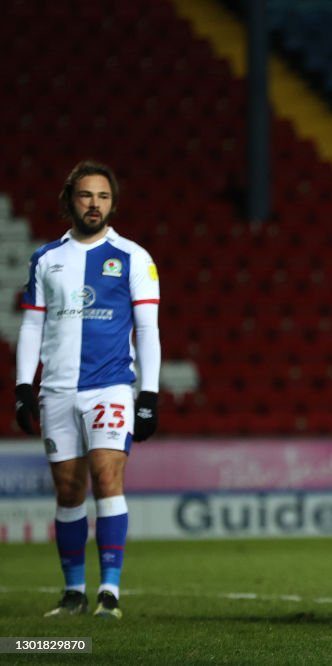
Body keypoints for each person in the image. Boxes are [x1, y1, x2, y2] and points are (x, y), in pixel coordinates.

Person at [15, 161, 161, 619]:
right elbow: (31, 324)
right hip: (57, 390)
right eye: (85, 196)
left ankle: (110, 593)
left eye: (102, 196)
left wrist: (149, 395)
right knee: (68, 490)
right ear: (69, 201)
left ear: (112, 203)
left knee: (107, 477)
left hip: (111, 387)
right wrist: (23, 386)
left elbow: (148, 328)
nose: (94, 204)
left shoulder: (134, 256)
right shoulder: (46, 258)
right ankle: (74, 592)